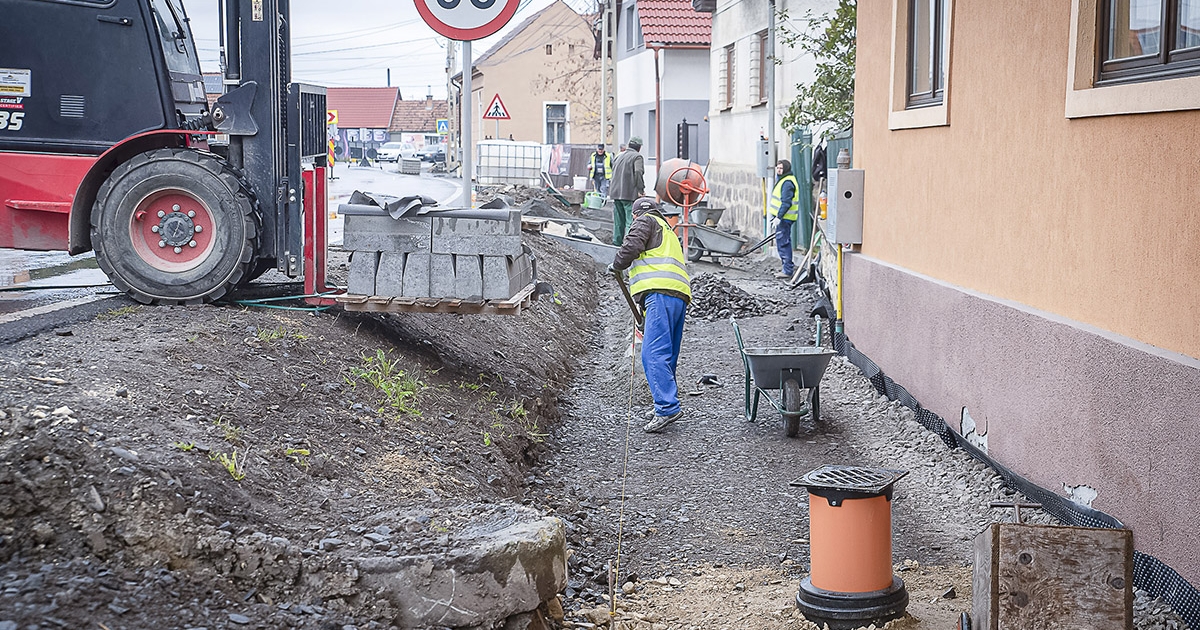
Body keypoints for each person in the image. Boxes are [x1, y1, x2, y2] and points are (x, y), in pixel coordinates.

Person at [607, 197, 692, 433]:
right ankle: (664, 402)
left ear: (635, 215)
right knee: (667, 352)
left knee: (652, 353)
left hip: (659, 293)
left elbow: (632, 245)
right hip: (678, 295)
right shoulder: (667, 228)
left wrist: (617, 264)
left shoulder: (645, 220)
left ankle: (667, 407)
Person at [608, 137, 644, 246]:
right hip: (628, 193)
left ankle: (616, 243)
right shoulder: (637, 157)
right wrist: (640, 189)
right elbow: (638, 171)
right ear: (639, 147)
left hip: (615, 193)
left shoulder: (619, 156)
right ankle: (629, 245)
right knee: (630, 221)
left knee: (618, 221)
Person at [770, 159, 800, 279]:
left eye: (781, 168)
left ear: (786, 169)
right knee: (782, 242)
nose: (778, 170)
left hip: (785, 218)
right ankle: (786, 268)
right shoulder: (783, 180)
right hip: (783, 218)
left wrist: (779, 217)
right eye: (777, 168)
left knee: (783, 243)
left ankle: (787, 270)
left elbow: (786, 202)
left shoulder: (787, 182)